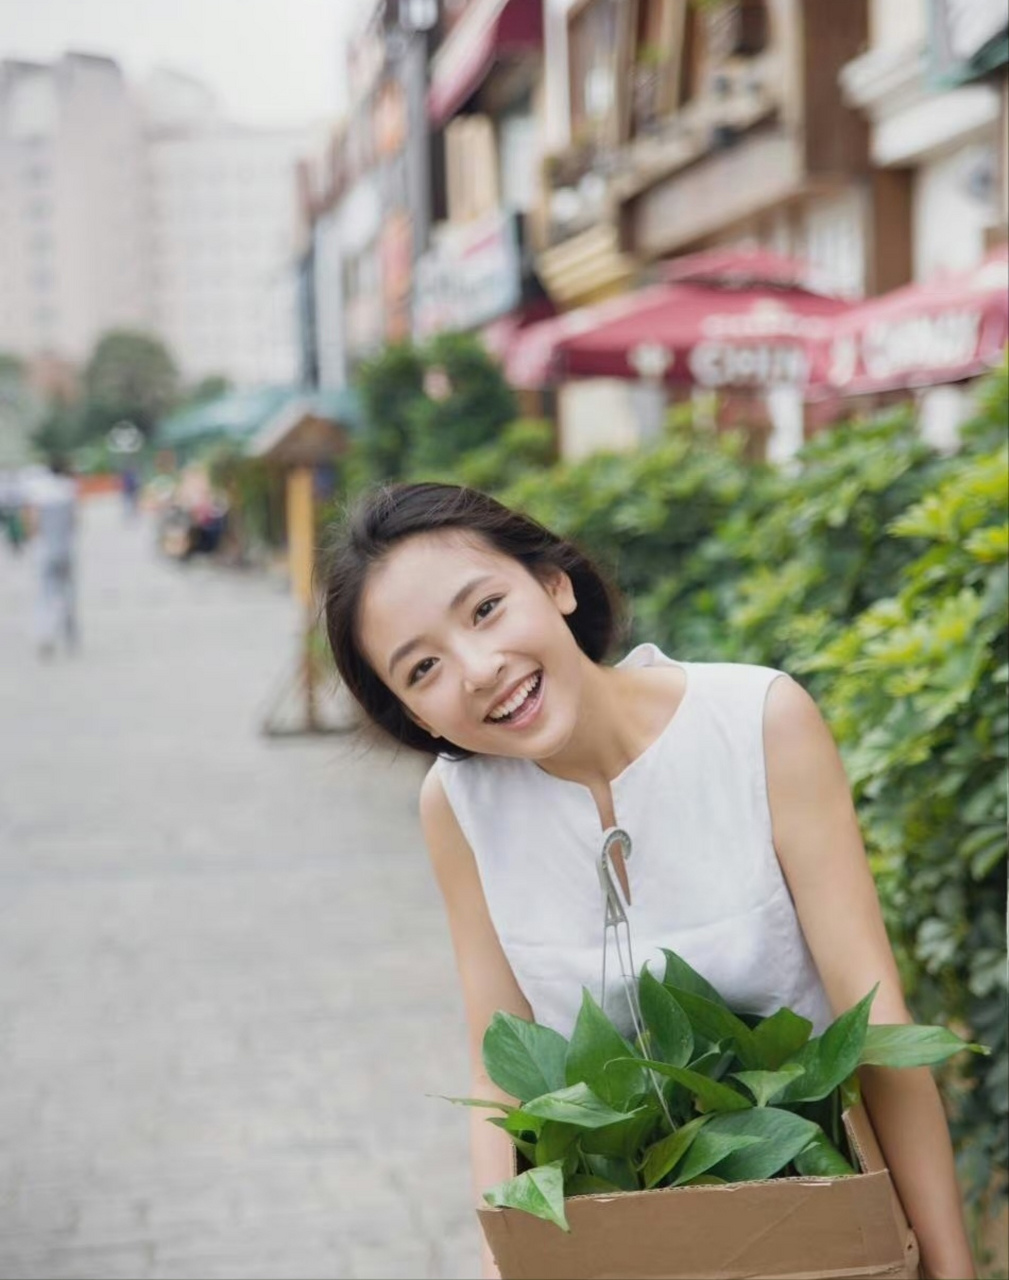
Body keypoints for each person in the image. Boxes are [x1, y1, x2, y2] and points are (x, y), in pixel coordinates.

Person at [321, 481, 975, 1280]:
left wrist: (950, 1267)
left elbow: (876, 1034)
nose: (479, 669)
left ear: (554, 584)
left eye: (485, 609)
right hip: (614, 1250)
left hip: (820, 1235)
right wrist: (509, 1257)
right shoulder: (456, 806)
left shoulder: (756, 722)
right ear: (413, 716)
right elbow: (501, 1071)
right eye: (422, 669)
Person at [24, 455, 79, 657]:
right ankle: (70, 633)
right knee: (68, 593)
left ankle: (45, 633)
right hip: (65, 549)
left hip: (44, 550)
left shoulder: (39, 491)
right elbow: (76, 520)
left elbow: (33, 524)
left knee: (45, 595)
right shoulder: (68, 488)